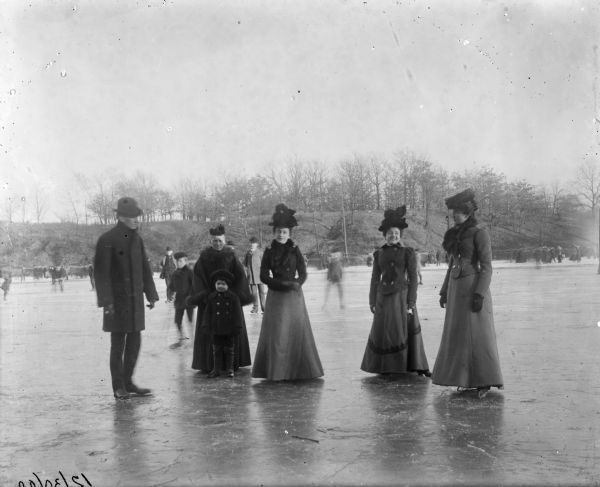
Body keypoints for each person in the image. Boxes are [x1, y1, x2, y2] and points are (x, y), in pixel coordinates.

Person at [433, 188, 503, 398]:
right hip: (456, 292)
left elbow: (487, 266)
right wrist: (444, 291)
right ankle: (465, 379)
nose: (454, 215)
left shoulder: (479, 233)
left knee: (478, 338)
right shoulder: (455, 234)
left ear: (467, 212)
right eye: (453, 212)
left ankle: (485, 381)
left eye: (457, 212)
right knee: (460, 338)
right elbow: (452, 264)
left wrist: (479, 294)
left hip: (472, 290)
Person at [94, 196, 159, 400]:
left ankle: (129, 382)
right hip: (117, 302)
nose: (137, 220)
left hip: (135, 301)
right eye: (133, 217)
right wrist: (107, 302)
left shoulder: (137, 239)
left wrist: (151, 294)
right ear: (122, 217)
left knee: (135, 342)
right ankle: (118, 387)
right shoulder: (107, 239)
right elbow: (101, 274)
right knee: (118, 344)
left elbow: (145, 268)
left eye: (137, 217)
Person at [252, 203, 324, 381]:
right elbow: (263, 274)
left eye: (284, 232)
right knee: (277, 332)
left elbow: (303, 272)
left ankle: (299, 371)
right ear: (274, 232)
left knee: (295, 331)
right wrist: (278, 284)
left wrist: (296, 284)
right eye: (278, 231)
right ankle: (277, 371)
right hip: (276, 295)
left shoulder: (295, 250)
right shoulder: (268, 251)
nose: (281, 234)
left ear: (289, 233)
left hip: (293, 296)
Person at [360, 206, 431, 376]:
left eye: (397, 233)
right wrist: (371, 301)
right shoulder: (378, 254)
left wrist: (411, 301)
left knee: (403, 330)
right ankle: (386, 367)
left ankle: (415, 365)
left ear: (400, 236)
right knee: (386, 332)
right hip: (383, 298)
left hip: (402, 296)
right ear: (385, 235)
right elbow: (375, 279)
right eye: (390, 233)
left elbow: (413, 278)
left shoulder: (408, 253)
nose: (394, 236)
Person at [190, 224, 252, 373]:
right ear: (210, 241)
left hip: (229, 302)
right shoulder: (203, 258)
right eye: (214, 241)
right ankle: (211, 365)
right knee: (211, 333)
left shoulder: (231, 256)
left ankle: (230, 365)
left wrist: (235, 296)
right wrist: (205, 296)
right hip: (210, 303)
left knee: (231, 334)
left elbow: (240, 277)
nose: (217, 243)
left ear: (224, 240)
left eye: (220, 240)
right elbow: (197, 278)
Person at [194, 269, 244, 378]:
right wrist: (206, 325)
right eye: (218, 284)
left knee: (229, 350)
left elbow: (237, 313)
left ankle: (230, 369)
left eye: (223, 284)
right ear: (215, 284)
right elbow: (207, 313)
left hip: (229, 329)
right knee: (216, 350)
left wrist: (237, 326)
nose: (220, 286)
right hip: (216, 329)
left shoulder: (233, 297)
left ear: (228, 285)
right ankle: (216, 370)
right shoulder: (212, 297)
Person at [167, 251, 195, 344]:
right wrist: (169, 295)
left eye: (180, 261)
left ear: (185, 261)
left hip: (189, 300)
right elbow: (171, 286)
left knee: (190, 321)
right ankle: (181, 339)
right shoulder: (175, 273)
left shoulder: (190, 272)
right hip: (179, 300)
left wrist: (192, 297)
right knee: (177, 321)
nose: (178, 263)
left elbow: (194, 286)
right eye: (177, 261)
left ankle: (193, 340)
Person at [243, 236, 266, 314]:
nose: (252, 244)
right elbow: (245, 264)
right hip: (251, 277)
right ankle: (255, 308)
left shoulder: (260, 252)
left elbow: (264, 264)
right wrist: (247, 273)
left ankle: (264, 308)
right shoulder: (248, 253)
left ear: (257, 244)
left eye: (254, 243)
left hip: (260, 276)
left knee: (262, 292)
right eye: (251, 243)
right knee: (254, 293)